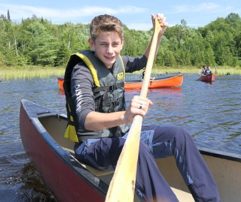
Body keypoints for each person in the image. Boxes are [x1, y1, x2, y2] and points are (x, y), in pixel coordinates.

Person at [63, 14, 220, 202]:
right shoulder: (81, 71)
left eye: (115, 44)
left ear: (122, 43)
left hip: (121, 136)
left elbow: (144, 61)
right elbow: (85, 119)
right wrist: (126, 115)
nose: (110, 51)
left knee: (179, 136)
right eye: (104, 44)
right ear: (92, 43)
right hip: (91, 146)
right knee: (134, 149)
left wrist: (158, 34)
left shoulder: (119, 61)